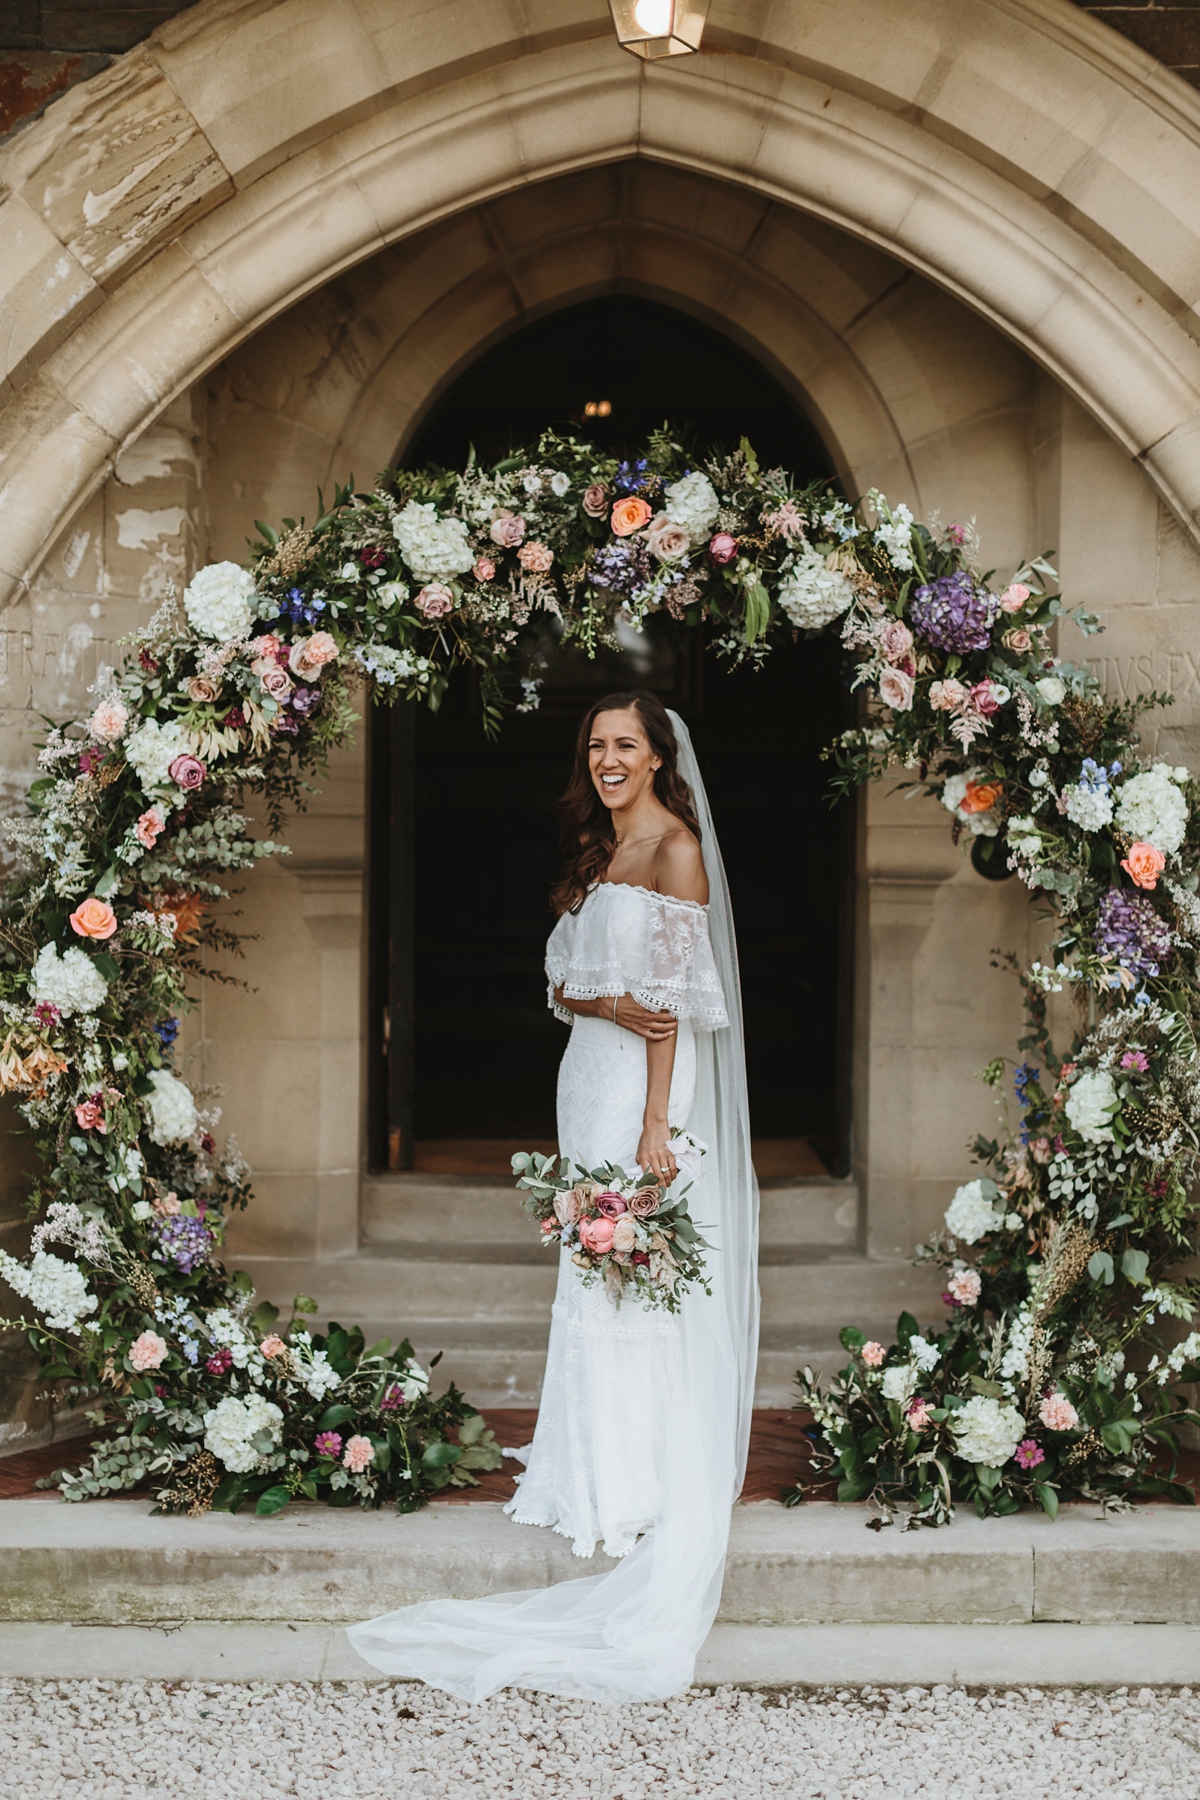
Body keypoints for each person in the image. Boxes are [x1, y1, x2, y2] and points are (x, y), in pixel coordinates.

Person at [347, 692, 760, 1702]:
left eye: (627, 745)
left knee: (632, 1261)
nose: (610, 759)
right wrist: (601, 1001)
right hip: (587, 1076)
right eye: (598, 746)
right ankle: (585, 1462)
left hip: (639, 1092)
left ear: (661, 756)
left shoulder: (673, 850)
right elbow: (570, 983)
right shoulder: (595, 846)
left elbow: (673, 1009)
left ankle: (638, 1483)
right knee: (589, 1260)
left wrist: (658, 1125)